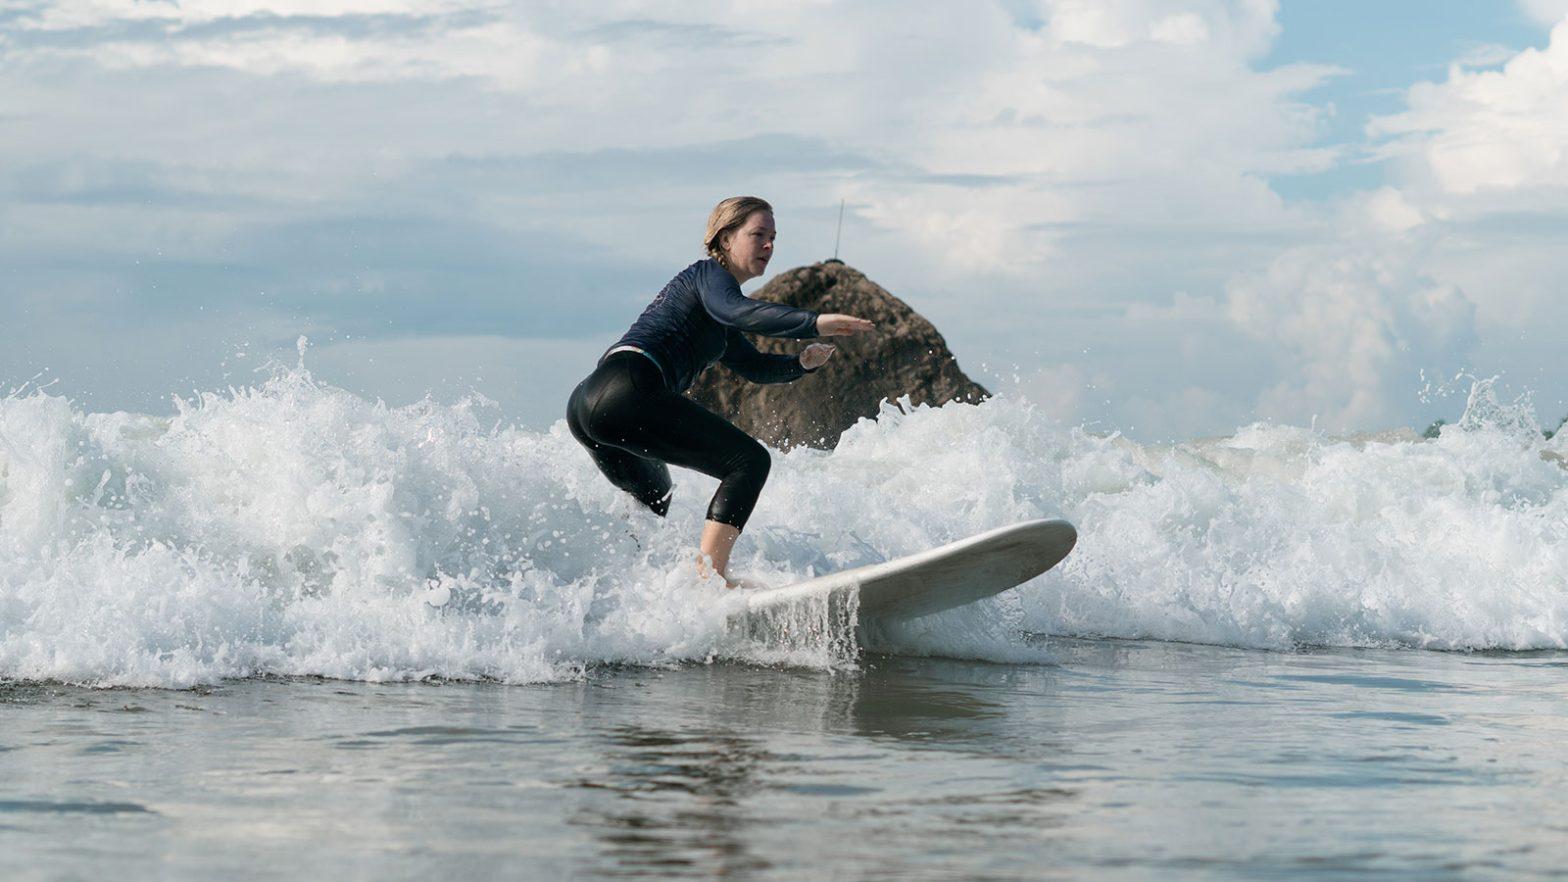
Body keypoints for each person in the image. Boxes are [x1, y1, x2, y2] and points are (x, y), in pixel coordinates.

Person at [566, 196, 875, 584]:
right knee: (749, 462)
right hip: (630, 386)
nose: (769, 246)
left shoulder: (716, 313)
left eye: (773, 238)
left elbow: (756, 367)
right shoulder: (709, 276)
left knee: (655, 498)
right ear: (725, 238)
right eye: (758, 234)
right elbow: (739, 311)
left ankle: (633, 589)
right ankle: (709, 581)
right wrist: (816, 322)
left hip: (588, 406)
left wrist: (800, 364)